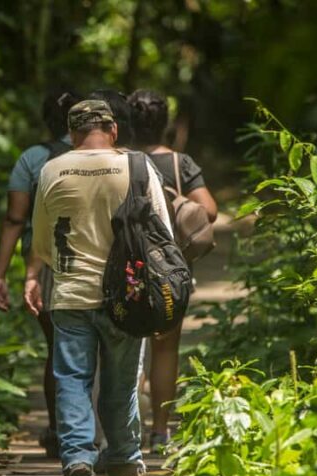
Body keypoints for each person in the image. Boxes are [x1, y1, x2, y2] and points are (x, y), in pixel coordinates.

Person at [23, 100, 173, 476]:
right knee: (121, 384)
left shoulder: (51, 169)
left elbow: (40, 240)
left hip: (71, 294)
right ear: (113, 130)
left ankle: (76, 459)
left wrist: (35, 277)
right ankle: (123, 465)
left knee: (71, 380)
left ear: (72, 134)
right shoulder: (138, 166)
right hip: (130, 294)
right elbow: (164, 235)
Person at [127, 89, 218, 453]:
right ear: (164, 124)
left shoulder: (123, 161)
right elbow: (208, 211)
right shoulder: (180, 164)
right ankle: (161, 432)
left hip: (129, 270)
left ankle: (127, 430)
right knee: (166, 350)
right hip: (172, 273)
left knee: (127, 349)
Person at [0, 89, 79, 458]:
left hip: (42, 261)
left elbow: (15, 219)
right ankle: (91, 433)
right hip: (94, 260)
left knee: (59, 348)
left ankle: (60, 431)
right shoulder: (104, 157)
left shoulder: (32, 159)